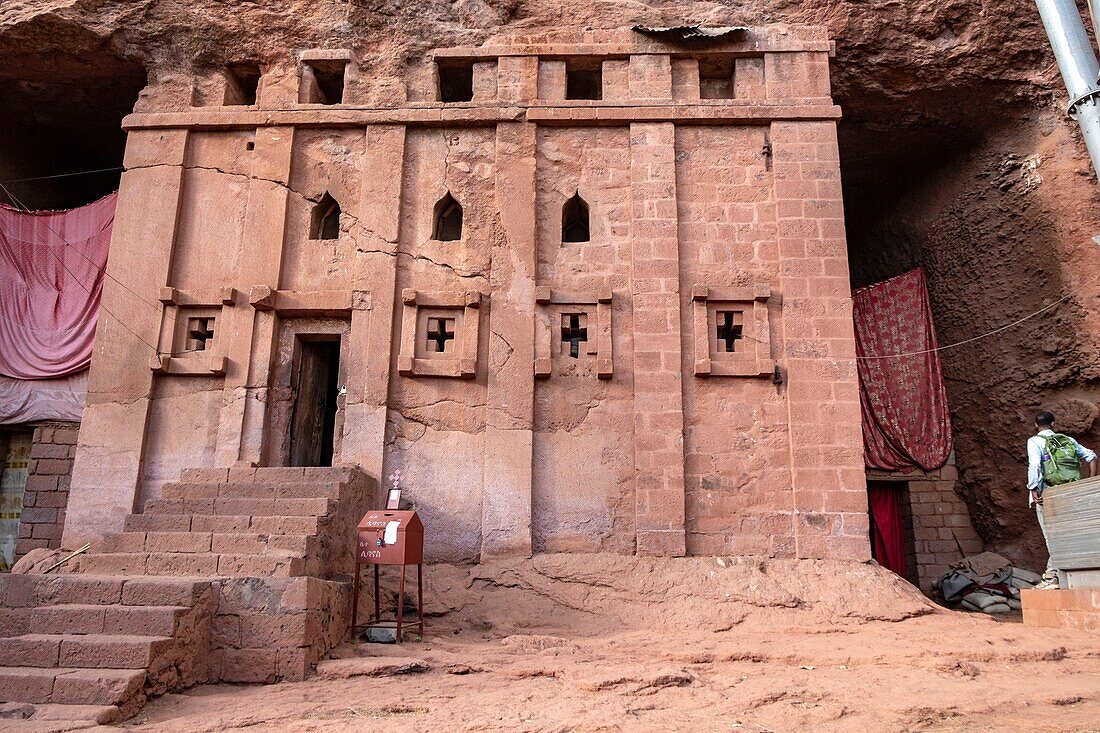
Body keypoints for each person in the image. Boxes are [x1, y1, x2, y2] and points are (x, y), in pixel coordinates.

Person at [1026, 410, 1097, 588]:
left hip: (1048, 494)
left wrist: (1033, 489)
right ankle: (1056, 575)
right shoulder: (1067, 440)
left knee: (1051, 536)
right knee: (1069, 534)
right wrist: (1088, 483)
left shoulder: (1034, 441)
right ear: (1053, 424)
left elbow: (1035, 465)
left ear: (1036, 426)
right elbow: (1092, 457)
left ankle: (1053, 578)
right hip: (1070, 492)